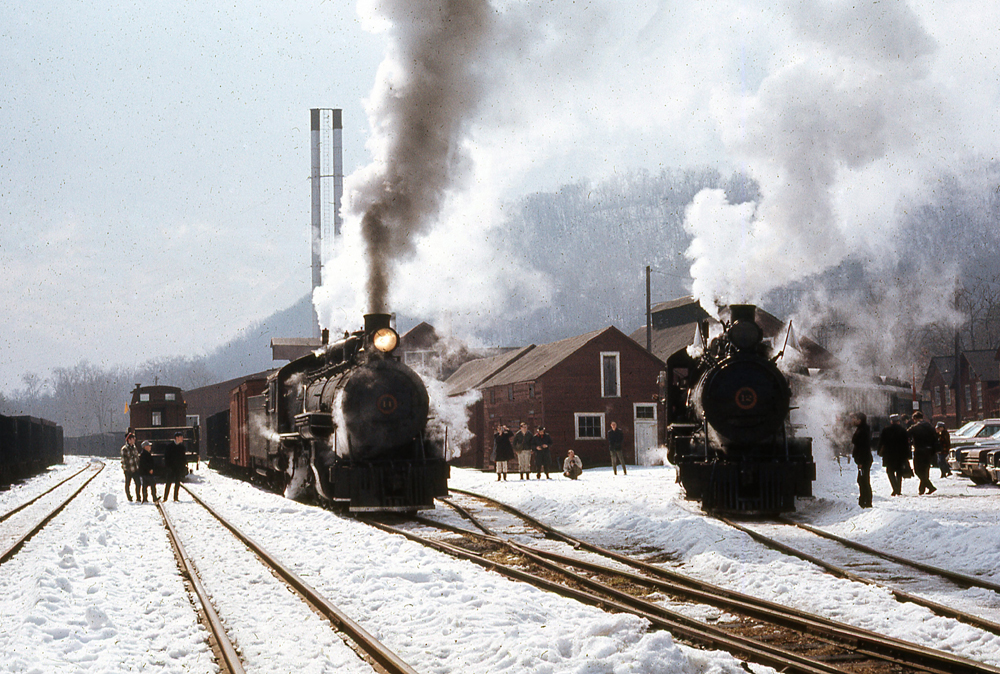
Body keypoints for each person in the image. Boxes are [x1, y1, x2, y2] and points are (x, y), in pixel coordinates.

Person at [907, 411, 939, 495]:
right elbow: (936, 437)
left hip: (919, 451)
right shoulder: (930, 426)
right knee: (925, 470)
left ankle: (930, 487)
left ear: (915, 419)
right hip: (929, 451)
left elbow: (906, 434)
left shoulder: (915, 427)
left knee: (918, 471)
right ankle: (921, 489)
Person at [878, 415, 910, 496]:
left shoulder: (886, 430)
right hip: (900, 455)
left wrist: (879, 451)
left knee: (890, 472)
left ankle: (895, 488)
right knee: (899, 472)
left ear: (891, 421)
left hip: (889, 455)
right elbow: (906, 444)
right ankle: (898, 489)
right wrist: (907, 455)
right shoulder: (903, 430)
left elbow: (881, 442)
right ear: (898, 421)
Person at [851, 413, 873, 508]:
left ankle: (866, 501)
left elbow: (863, 447)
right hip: (864, 459)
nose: (853, 421)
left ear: (859, 420)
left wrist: (860, 461)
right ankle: (864, 500)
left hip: (863, 459)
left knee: (863, 480)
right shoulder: (862, 429)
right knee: (862, 480)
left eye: (854, 419)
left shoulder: (863, 431)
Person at [163, 432, 187, 502]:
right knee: (168, 483)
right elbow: (166, 457)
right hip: (171, 468)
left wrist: (183, 466)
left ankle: (175, 497)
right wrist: (168, 467)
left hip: (179, 468)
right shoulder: (169, 446)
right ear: (177, 437)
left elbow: (183, 457)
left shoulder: (182, 447)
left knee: (177, 483)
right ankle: (165, 497)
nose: (182, 438)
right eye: (181, 437)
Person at [120, 432, 141, 502]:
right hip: (128, 470)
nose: (134, 440)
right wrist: (126, 469)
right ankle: (129, 497)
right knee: (127, 484)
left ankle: (138, 497)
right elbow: (123, 460)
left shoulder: (134, 448)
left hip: (135, 469)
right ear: (129, 440)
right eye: (132, 439)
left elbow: (137, 458)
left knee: (138, 483)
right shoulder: (124, 449)